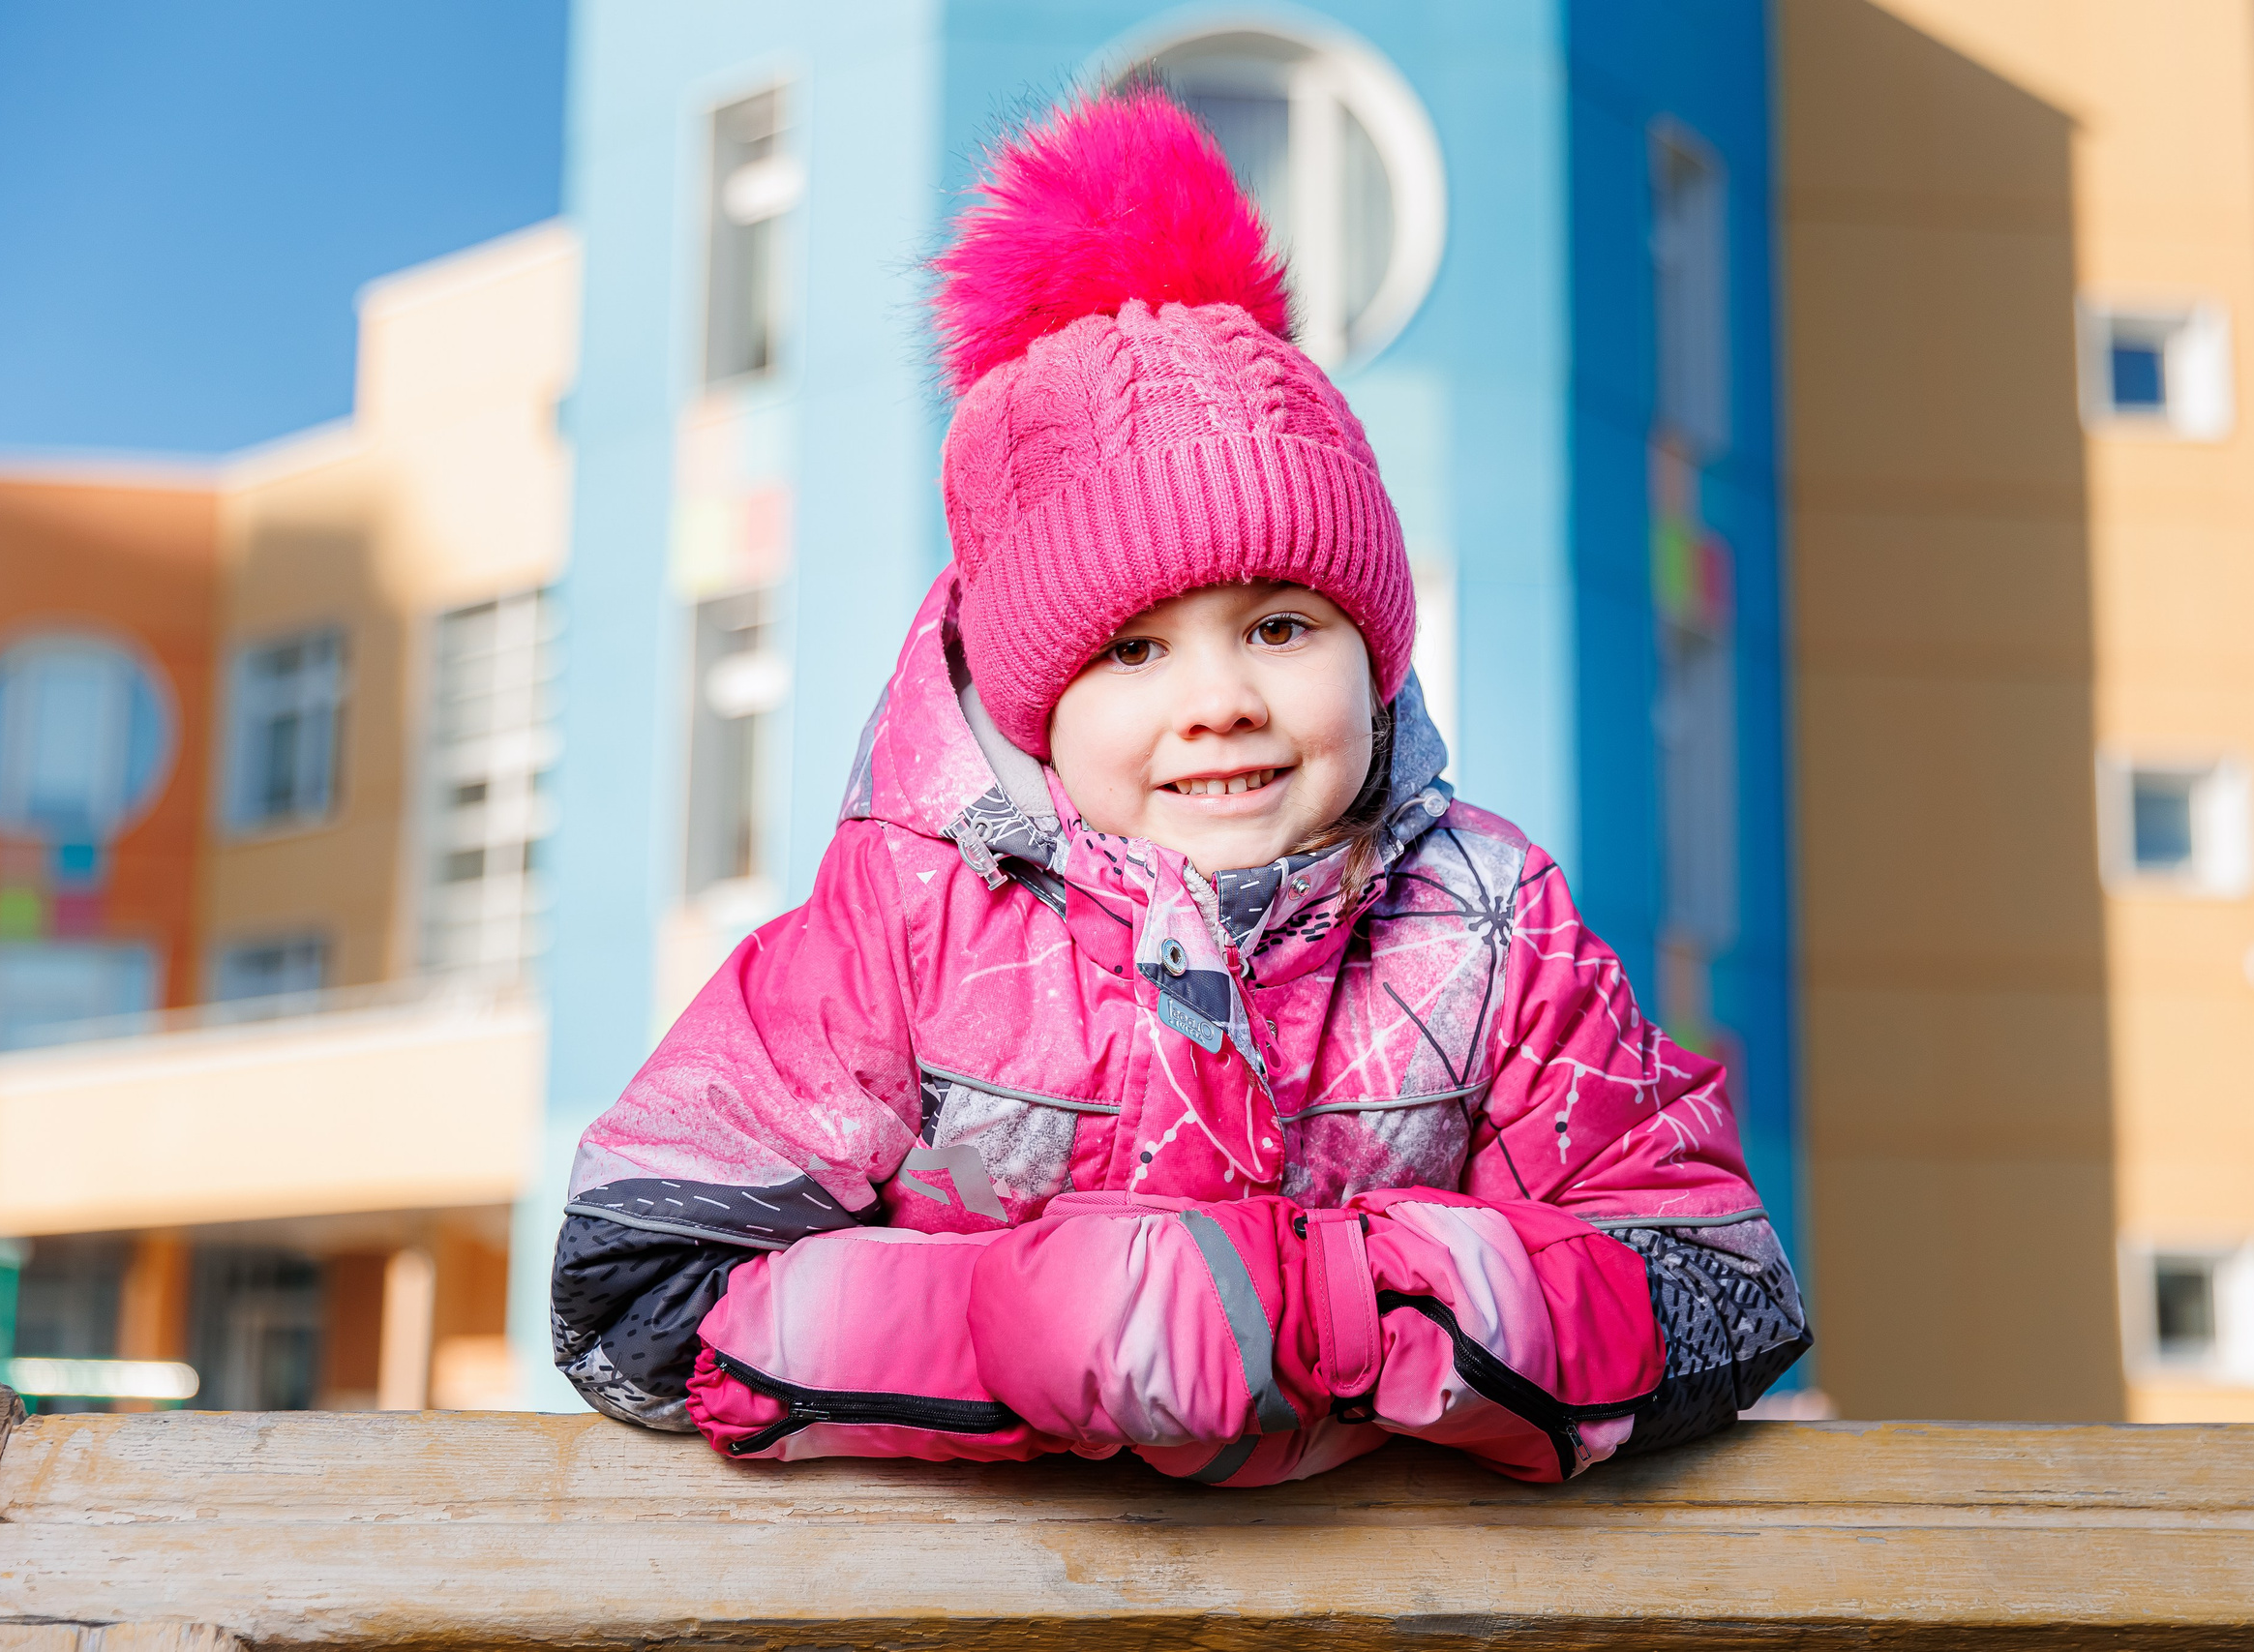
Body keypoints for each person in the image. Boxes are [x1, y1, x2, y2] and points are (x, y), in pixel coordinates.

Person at [551, 88, 1808, 1487]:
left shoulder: (1490, 926)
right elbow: (640, 1288)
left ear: (1374, 649)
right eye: (1132, 649)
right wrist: (1010, 1325)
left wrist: (1350, 1311)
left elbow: (1714, 1282)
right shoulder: (911, 927)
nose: (1218, 700)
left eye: (1281, 625)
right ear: (1037, 701)